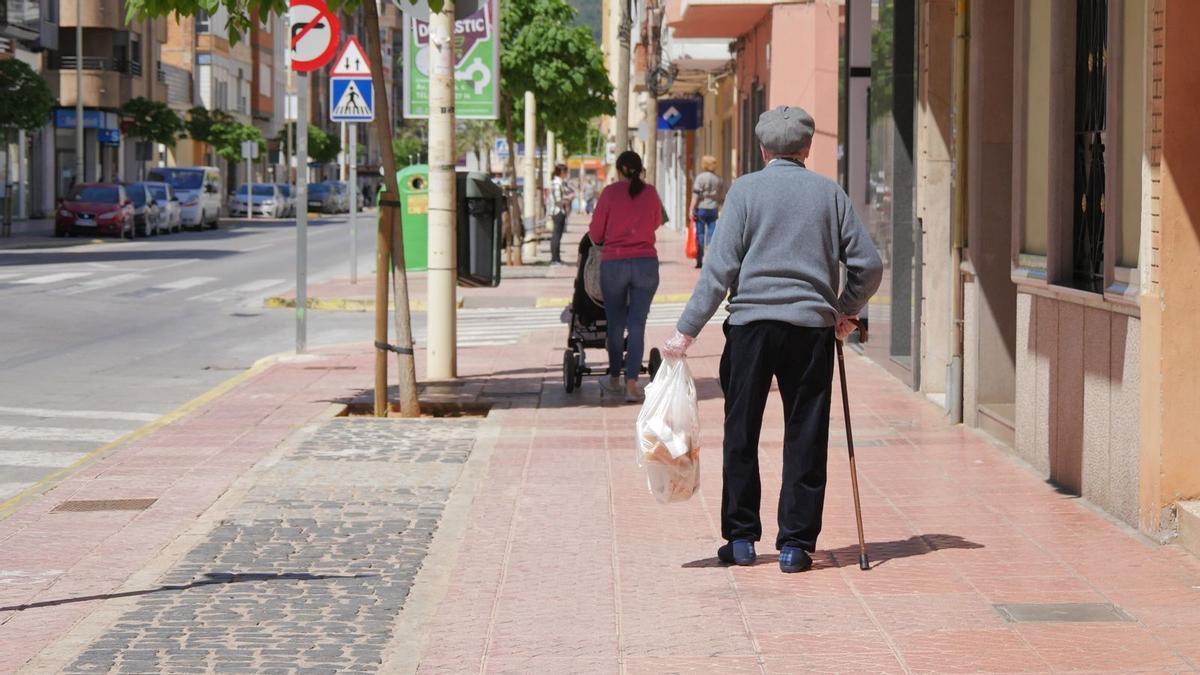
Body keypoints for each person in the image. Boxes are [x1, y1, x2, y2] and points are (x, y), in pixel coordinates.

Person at [662, 106, 883, 574]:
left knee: (741, 431)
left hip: (751, 328)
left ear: (763, 150)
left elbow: (719, 269)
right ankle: (795, 546)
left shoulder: (744, 191)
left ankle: (741, 540)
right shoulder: (829, 193)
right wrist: (844, 309)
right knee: (805, 433)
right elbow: (869, 264)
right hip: (809, 329)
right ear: (807, 148)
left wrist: (686, 331)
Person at [589, 151, 664, 403]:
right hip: (645, 264)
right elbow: (655, 222)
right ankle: (632, 384)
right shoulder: (651, 192)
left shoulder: (610, 193)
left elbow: (596, 232)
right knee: (637, 325)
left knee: (616, 324)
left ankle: (613, 379)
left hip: (614, 264)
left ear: (620, 169)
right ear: (640, 168)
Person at [689, 155, 724, 269]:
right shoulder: (718, 179)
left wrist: (691, 209)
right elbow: (721, 196)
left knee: (700, 234)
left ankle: (699, 259)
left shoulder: (700, 178)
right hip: (713, 209)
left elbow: (695, 195)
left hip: (701, 208)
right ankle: (710, 258)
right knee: (712, 234)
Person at [549, 163, 574, 265]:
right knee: (556, 236)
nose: (567, 174)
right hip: (558, 211)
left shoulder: (561, 183)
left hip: (561, 211)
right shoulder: (556, 184)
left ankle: (557, 258)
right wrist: (568, 199)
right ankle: (555, 259)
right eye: (566, 172)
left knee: (558, 236)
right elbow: (558, 201)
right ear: (562, 172)